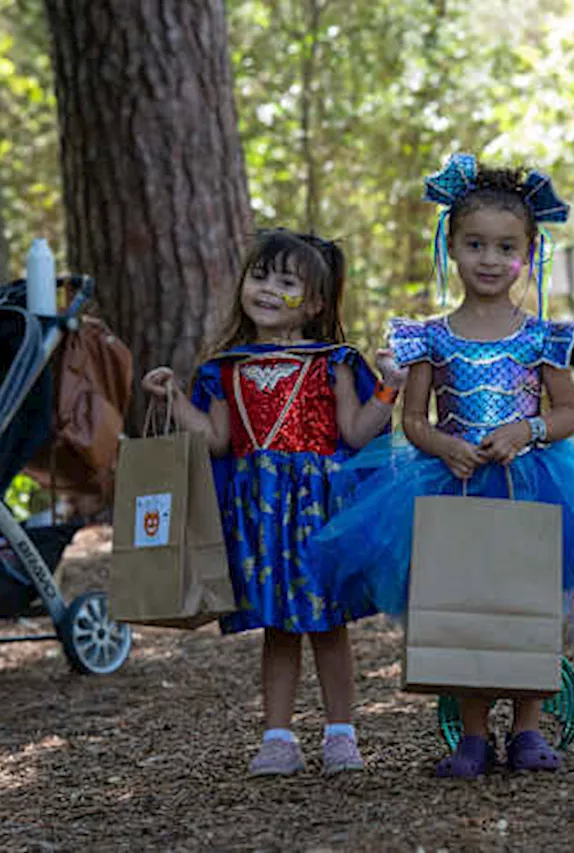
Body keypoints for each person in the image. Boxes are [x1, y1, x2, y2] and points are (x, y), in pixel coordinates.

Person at [311, 154, 574, 779]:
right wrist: (442, 445)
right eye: (475, 244)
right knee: (464, 602)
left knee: (527, 603)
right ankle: (472, 735)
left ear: (530, 253)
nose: (490, 260)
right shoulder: (430, 337)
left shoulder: (542, 337)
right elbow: (413, 419)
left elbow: (569, 413)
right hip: (454, 484)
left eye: (506, 247)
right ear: (452, 246)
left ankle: (527, 729)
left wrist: (524, 430)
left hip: (533, 483)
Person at [140, 229, 406, 777]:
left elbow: (357, 433)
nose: (265, 289)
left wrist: (389, 387)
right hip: (260, 515)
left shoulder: (333, 362)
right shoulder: (225, 369)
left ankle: (341, 735)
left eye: (286, 282)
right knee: (278, 627)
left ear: (315, 303)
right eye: (259, 276)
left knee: (329, 623)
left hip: (320, 514)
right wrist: (173, 399)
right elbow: (215, 441)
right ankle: (277, 737)